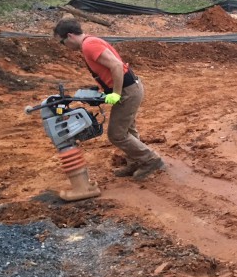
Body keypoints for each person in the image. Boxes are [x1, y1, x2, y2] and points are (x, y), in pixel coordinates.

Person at [53, 19, 165, 180]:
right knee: (128, 130)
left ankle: (151, 160)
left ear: (69, 36)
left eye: (62, 42)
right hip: (128, 88)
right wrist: (103, 89)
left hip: (128, 91)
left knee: (117, 134)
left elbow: (116, 66)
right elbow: (108, 69)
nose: (64, 46)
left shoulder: (89, 45)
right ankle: (136, 161)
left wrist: (117, 94)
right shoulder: (90, 43)